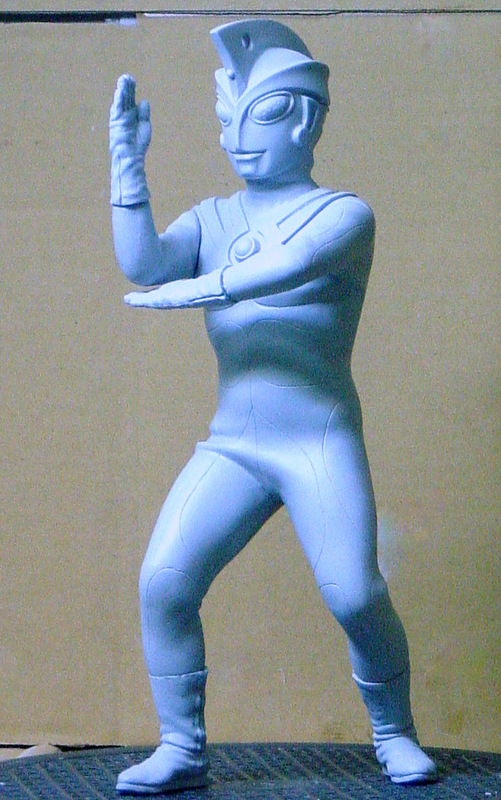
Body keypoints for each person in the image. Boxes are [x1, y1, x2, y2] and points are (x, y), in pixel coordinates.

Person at [109, 19, 437, 795]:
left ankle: (393, 732)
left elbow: (279, 270)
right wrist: (126, 165)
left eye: (257, 117)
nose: (236, 140)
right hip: (235, 444)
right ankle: (181, 747)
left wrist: (192, 292)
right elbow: (145, 263)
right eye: (227, 119)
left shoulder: (342, 215)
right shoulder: (214, 218)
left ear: (303, 121)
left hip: (316, 441)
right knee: (163, 581)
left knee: (354, 593)